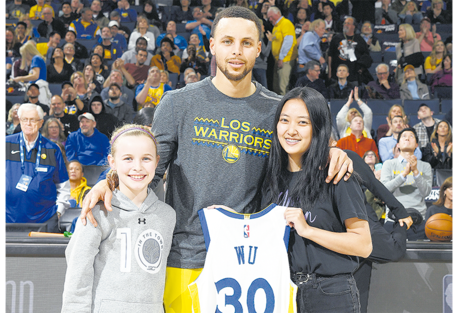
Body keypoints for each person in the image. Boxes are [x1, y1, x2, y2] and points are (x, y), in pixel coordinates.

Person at [79, 7, 353, 313]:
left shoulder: (277, 109)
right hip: (187, 259)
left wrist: (333, 150)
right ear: (212, 45)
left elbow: (305, 148)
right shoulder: (177, 103)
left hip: (254, 262)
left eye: (247, 43)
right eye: (227, 41)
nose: (237, 51)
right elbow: (149, 171)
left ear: (259, 48)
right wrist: (110, 181)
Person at [259, 87, 372, 312]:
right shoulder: (271, 176)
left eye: (303, 122)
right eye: (284, 120)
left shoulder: (336, 174)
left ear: (317, 127)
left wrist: (308, 230)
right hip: (281, 290)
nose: (291, 130)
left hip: (330, 293)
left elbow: (363, 244)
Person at [62, 124, 176, 311]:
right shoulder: (96, 212)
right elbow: (78, 273)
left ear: (157, 162)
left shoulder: (167, 216)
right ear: (112, 162)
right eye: (128, 158)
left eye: (146, 159)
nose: (137, 167)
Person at [4, 103, 70, 232]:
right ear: (20, 121)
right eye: (25, 119)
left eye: (33, 120)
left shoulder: (52, 149)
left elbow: (63, 186)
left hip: (44, 219)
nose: (28, 123)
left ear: (40, 123)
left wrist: (58, 211)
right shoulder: (5, 144)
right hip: (7, 218)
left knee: (42, 253)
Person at [381, 128, 432, 237]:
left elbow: (426, 192)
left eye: (411, 136)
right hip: (393, 220)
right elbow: (384, 190)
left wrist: (416, 172)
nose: (407, 138)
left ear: (416, 145)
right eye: (404, 136)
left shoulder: (425, 166)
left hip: (418, 221)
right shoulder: (389, 164)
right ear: (398, 145)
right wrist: (403, 174)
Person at [328, 16, 373, 85]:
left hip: (353, 77)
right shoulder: (336, 38)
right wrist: (329, 73)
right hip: (337, 76)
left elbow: (366, 57)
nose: (345, 25)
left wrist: (362, 68)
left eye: (348, 23)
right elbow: (330, 55)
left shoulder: (360, 39)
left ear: (353, 26)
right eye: (344, 23)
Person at [267, 6, 297, 95]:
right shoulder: (276, 26)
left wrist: (281, 58)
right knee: (276, 87)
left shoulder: (285, 23)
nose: (270, 19)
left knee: (283, 87)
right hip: (279, 60)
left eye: (271, 16)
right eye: (269, 17)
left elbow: (288, 41)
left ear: (278, 13)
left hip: (285, 60)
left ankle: (284, 108)